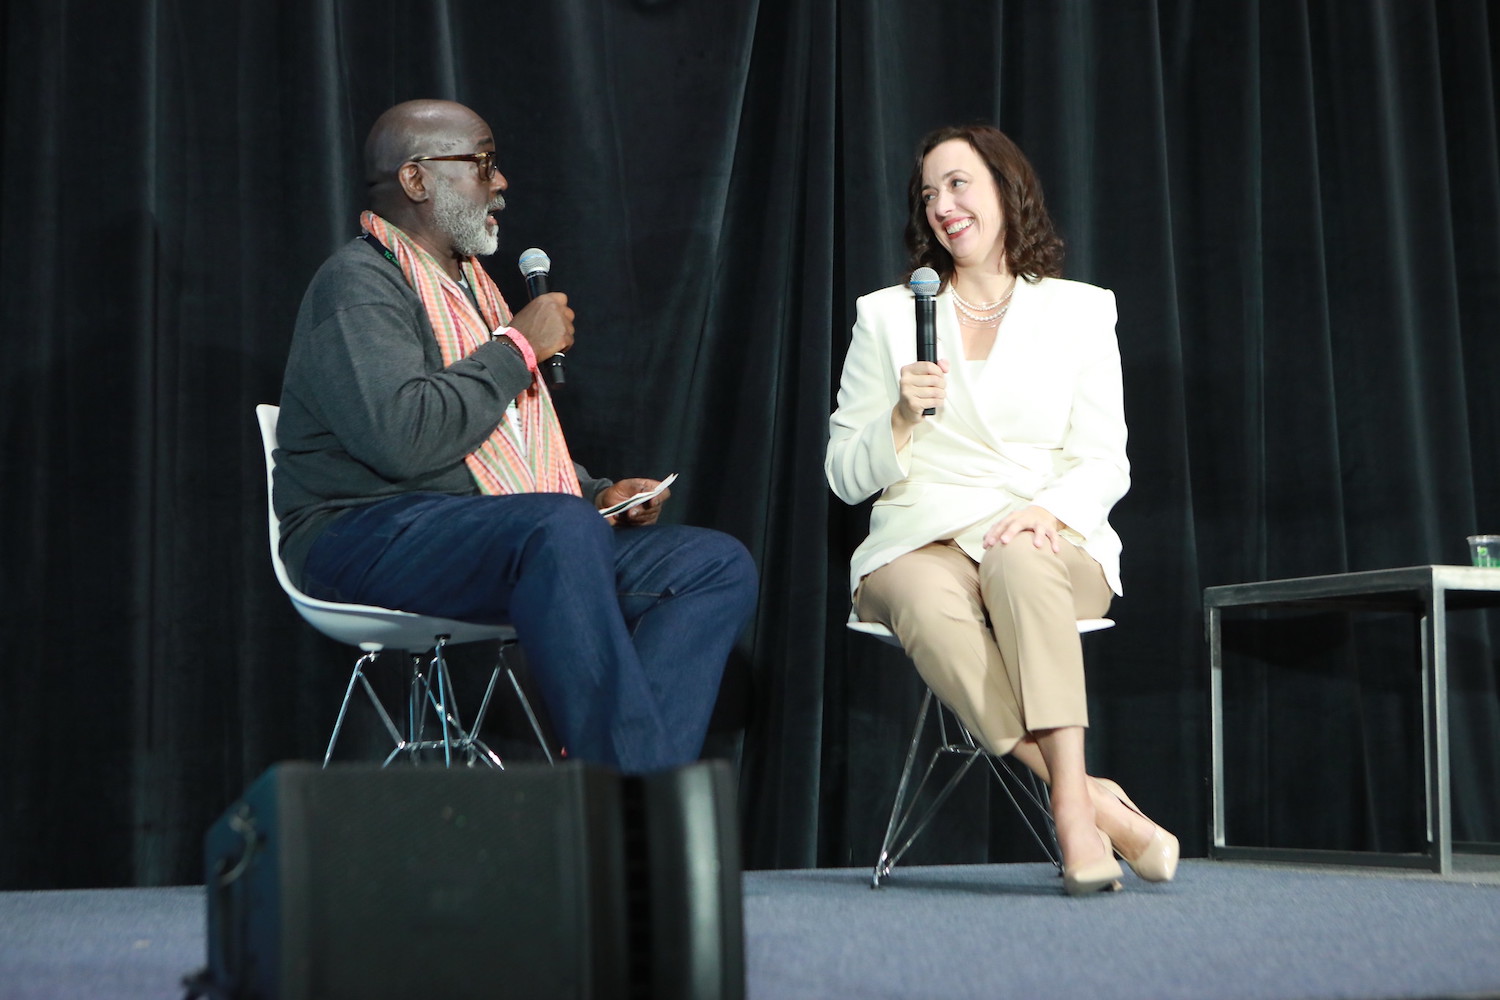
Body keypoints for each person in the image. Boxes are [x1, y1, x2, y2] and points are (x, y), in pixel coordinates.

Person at [274, 98, 757, 774]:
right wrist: (516, 348)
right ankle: (635, 808)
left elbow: (500, 441)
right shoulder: (358, 285)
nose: (499, 184)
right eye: (481, 164)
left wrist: (595, 493)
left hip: (482, 526)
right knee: (555, 530)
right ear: (415, 180)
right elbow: (404, 440)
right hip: (358, 531)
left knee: (711, 565)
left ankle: (622, 781)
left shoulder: (474, 289)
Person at [825, 124, 1177, 894]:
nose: (943, 205)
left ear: (1006, 190)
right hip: (919, 542)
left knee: (1019, 559)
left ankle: (1077, 813)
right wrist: (898, 421)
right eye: (929, 193)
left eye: (959, 184)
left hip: (1046, 536)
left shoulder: (1081, 312)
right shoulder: (887, 316)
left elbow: (1103, 459)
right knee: (920, 593)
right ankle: (1084, 800)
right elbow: (845, 476)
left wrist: (1048, 512)